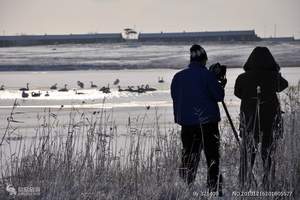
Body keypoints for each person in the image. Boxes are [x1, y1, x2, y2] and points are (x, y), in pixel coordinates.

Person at [171, 44, 224, 194]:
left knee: (189, 156)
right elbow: (219, 96)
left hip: (187, 125)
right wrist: (219, 83)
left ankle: (185, 189)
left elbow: (175, 98)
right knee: (212, 157)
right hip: (208, 124)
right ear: (203, 60)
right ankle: (214, 189)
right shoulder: (207, 75)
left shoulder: (178, 77)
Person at [234, 46, 288, 188]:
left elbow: (237, 93)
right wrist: (275, 72)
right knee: (268, 153)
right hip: (270, 120)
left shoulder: (242, 78)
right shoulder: (273, 77)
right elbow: (283, 85)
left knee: (247, 153)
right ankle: (268, 182)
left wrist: (249, 99)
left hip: (249, 120)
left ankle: (243, 183)